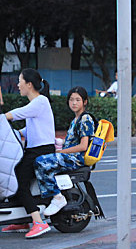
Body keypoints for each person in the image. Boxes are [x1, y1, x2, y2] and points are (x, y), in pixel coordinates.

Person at [1, 69, 55, 239]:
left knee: (17, 182)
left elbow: (19, 113)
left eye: (20, 81)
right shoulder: (36, 104)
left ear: (29, 84)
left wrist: (3, 117)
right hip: (34, 150)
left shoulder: (40, 101)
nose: (18, 85)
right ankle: (22, 220)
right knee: (14, 176)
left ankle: (38, 222)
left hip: (41, 151)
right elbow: (29, 128)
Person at [34, 86, 95, 217]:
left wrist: (63, 152)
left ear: (85, 102)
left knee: (41, 162)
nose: (74, 103)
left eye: (78, 100)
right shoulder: (75, 120)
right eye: (71, 99)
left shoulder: (85, 119)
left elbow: (83, 146)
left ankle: (57, 197)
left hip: (76, 159)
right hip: (70, 156)